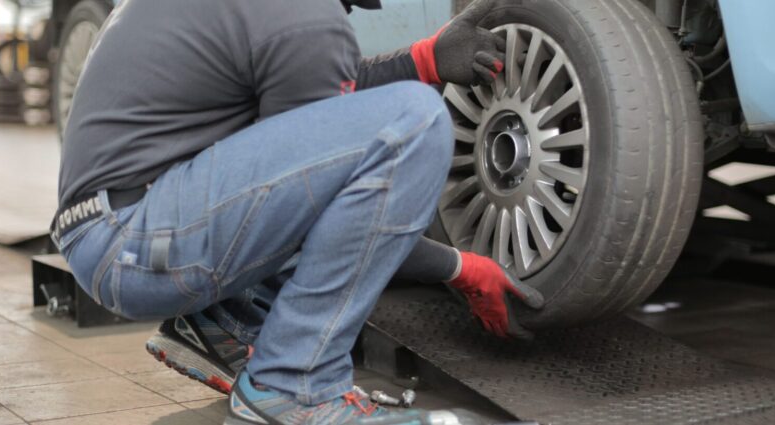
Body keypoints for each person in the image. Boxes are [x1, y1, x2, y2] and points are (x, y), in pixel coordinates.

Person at [51, 0, 542, 423]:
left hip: (112, 229)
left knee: (349, 131)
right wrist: (459, 268)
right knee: (413, 122)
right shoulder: (306, 18)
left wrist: (423, 60)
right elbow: (321, 198)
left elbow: (310, 111)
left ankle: (224, 322)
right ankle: (295, 383)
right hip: (138, 242)